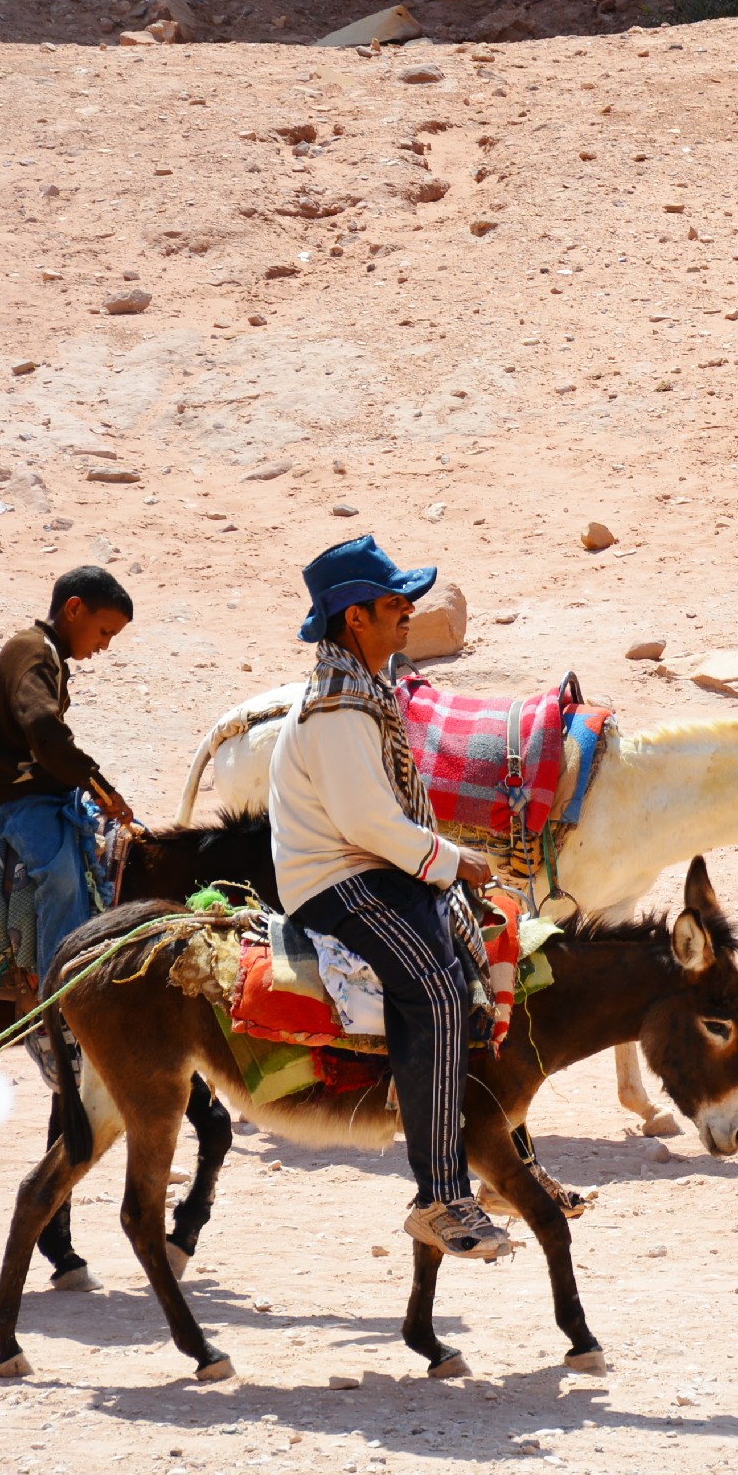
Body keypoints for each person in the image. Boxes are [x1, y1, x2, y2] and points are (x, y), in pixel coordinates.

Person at [270, 536, 512, 1261]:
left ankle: (503, 1164)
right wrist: (452, 860)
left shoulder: (366, 690)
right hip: (335, 878)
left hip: (368, 867)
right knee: (435, 990)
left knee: (474, 951)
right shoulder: (338, 709)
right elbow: (367, 824)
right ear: (355, 620)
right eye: (392, 604)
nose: (408, 613)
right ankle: (440, 1196)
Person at [0, 566, 137, 975]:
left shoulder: (40, 653)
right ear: (74, 609)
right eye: (104, 631)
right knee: (62, 878)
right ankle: (59, 993)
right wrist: (99, 787)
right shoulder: (34, 652)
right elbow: (43, 729)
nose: (104, 646)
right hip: (15, 803)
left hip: (41, 795)